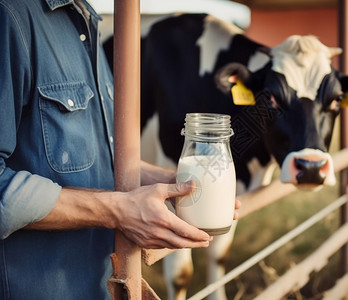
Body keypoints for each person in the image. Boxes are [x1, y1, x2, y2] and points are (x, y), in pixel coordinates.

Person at [0, 0, 240, 299]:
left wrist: (169, 181)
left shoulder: (86, 21)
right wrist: (118, 210)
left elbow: (98, 157)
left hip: (103, 284)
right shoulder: (10, 15)